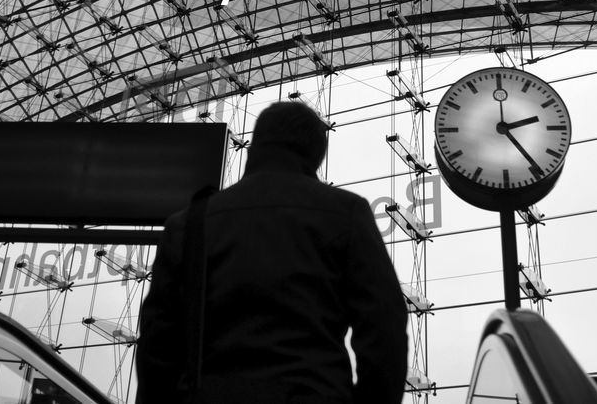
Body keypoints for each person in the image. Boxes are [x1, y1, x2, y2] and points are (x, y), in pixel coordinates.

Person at [136, 101, 408, 404]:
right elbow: (385, 328)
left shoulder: (189, 224)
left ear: (255, 147)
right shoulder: (346, 213)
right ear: (316, 156)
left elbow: (157, 345)